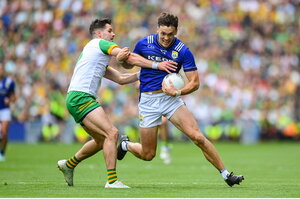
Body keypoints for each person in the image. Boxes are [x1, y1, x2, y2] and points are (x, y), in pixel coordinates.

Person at [117, 12, 244, 187]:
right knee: (148, 154)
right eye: (163, 33)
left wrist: (177, 93)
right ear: (157, 30)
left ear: (176, 31)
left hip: (171, 100)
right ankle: (125, 145)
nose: (166, 38)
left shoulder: (183, 51)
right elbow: (129, 64)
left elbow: (195, 83)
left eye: (170, 34)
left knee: (197, 137)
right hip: (148, 101)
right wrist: (123, 61)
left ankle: (226, 174)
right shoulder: (144, 43)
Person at [57, 18, 177, 188]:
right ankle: (112, 181)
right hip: (81, 97)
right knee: (112, 134)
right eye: (110, 30)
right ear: (99, 34)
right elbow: (123, 55)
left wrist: (142, 74)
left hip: (77, 98)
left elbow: (121, 78)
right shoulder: (99, 43)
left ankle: (68, 165)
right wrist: (155, 64)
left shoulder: (95, 55)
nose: (113, 34)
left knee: (101, 140)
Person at [0, 63, 16, 162]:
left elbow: (14, 97)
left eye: (1, 69)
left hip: (5, 109)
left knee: (4, 132)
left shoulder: (9, 82)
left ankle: (2, 153)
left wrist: (9, 100)